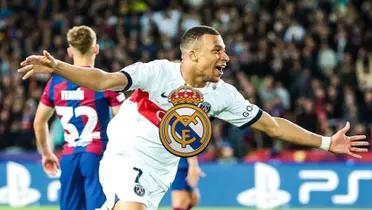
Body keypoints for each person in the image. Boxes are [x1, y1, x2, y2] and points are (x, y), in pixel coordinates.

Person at [19, 25, 368, 210]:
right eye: (218, 49)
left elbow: (271, 125)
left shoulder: (222, 96)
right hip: (125, 155)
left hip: (162, 172)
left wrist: (326, 142)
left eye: (225, 50)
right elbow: (106, 80)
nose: (225, 57)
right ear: (192, 54)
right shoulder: (156, 72)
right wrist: (59, 67)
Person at [32, 25, 124, 210]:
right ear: (96, 48)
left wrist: (46, 154)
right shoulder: (106, 81)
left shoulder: (55, 83)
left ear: (69, 51)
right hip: (98, 156)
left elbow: (39, 121)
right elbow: (123, 122)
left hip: (69, 156)